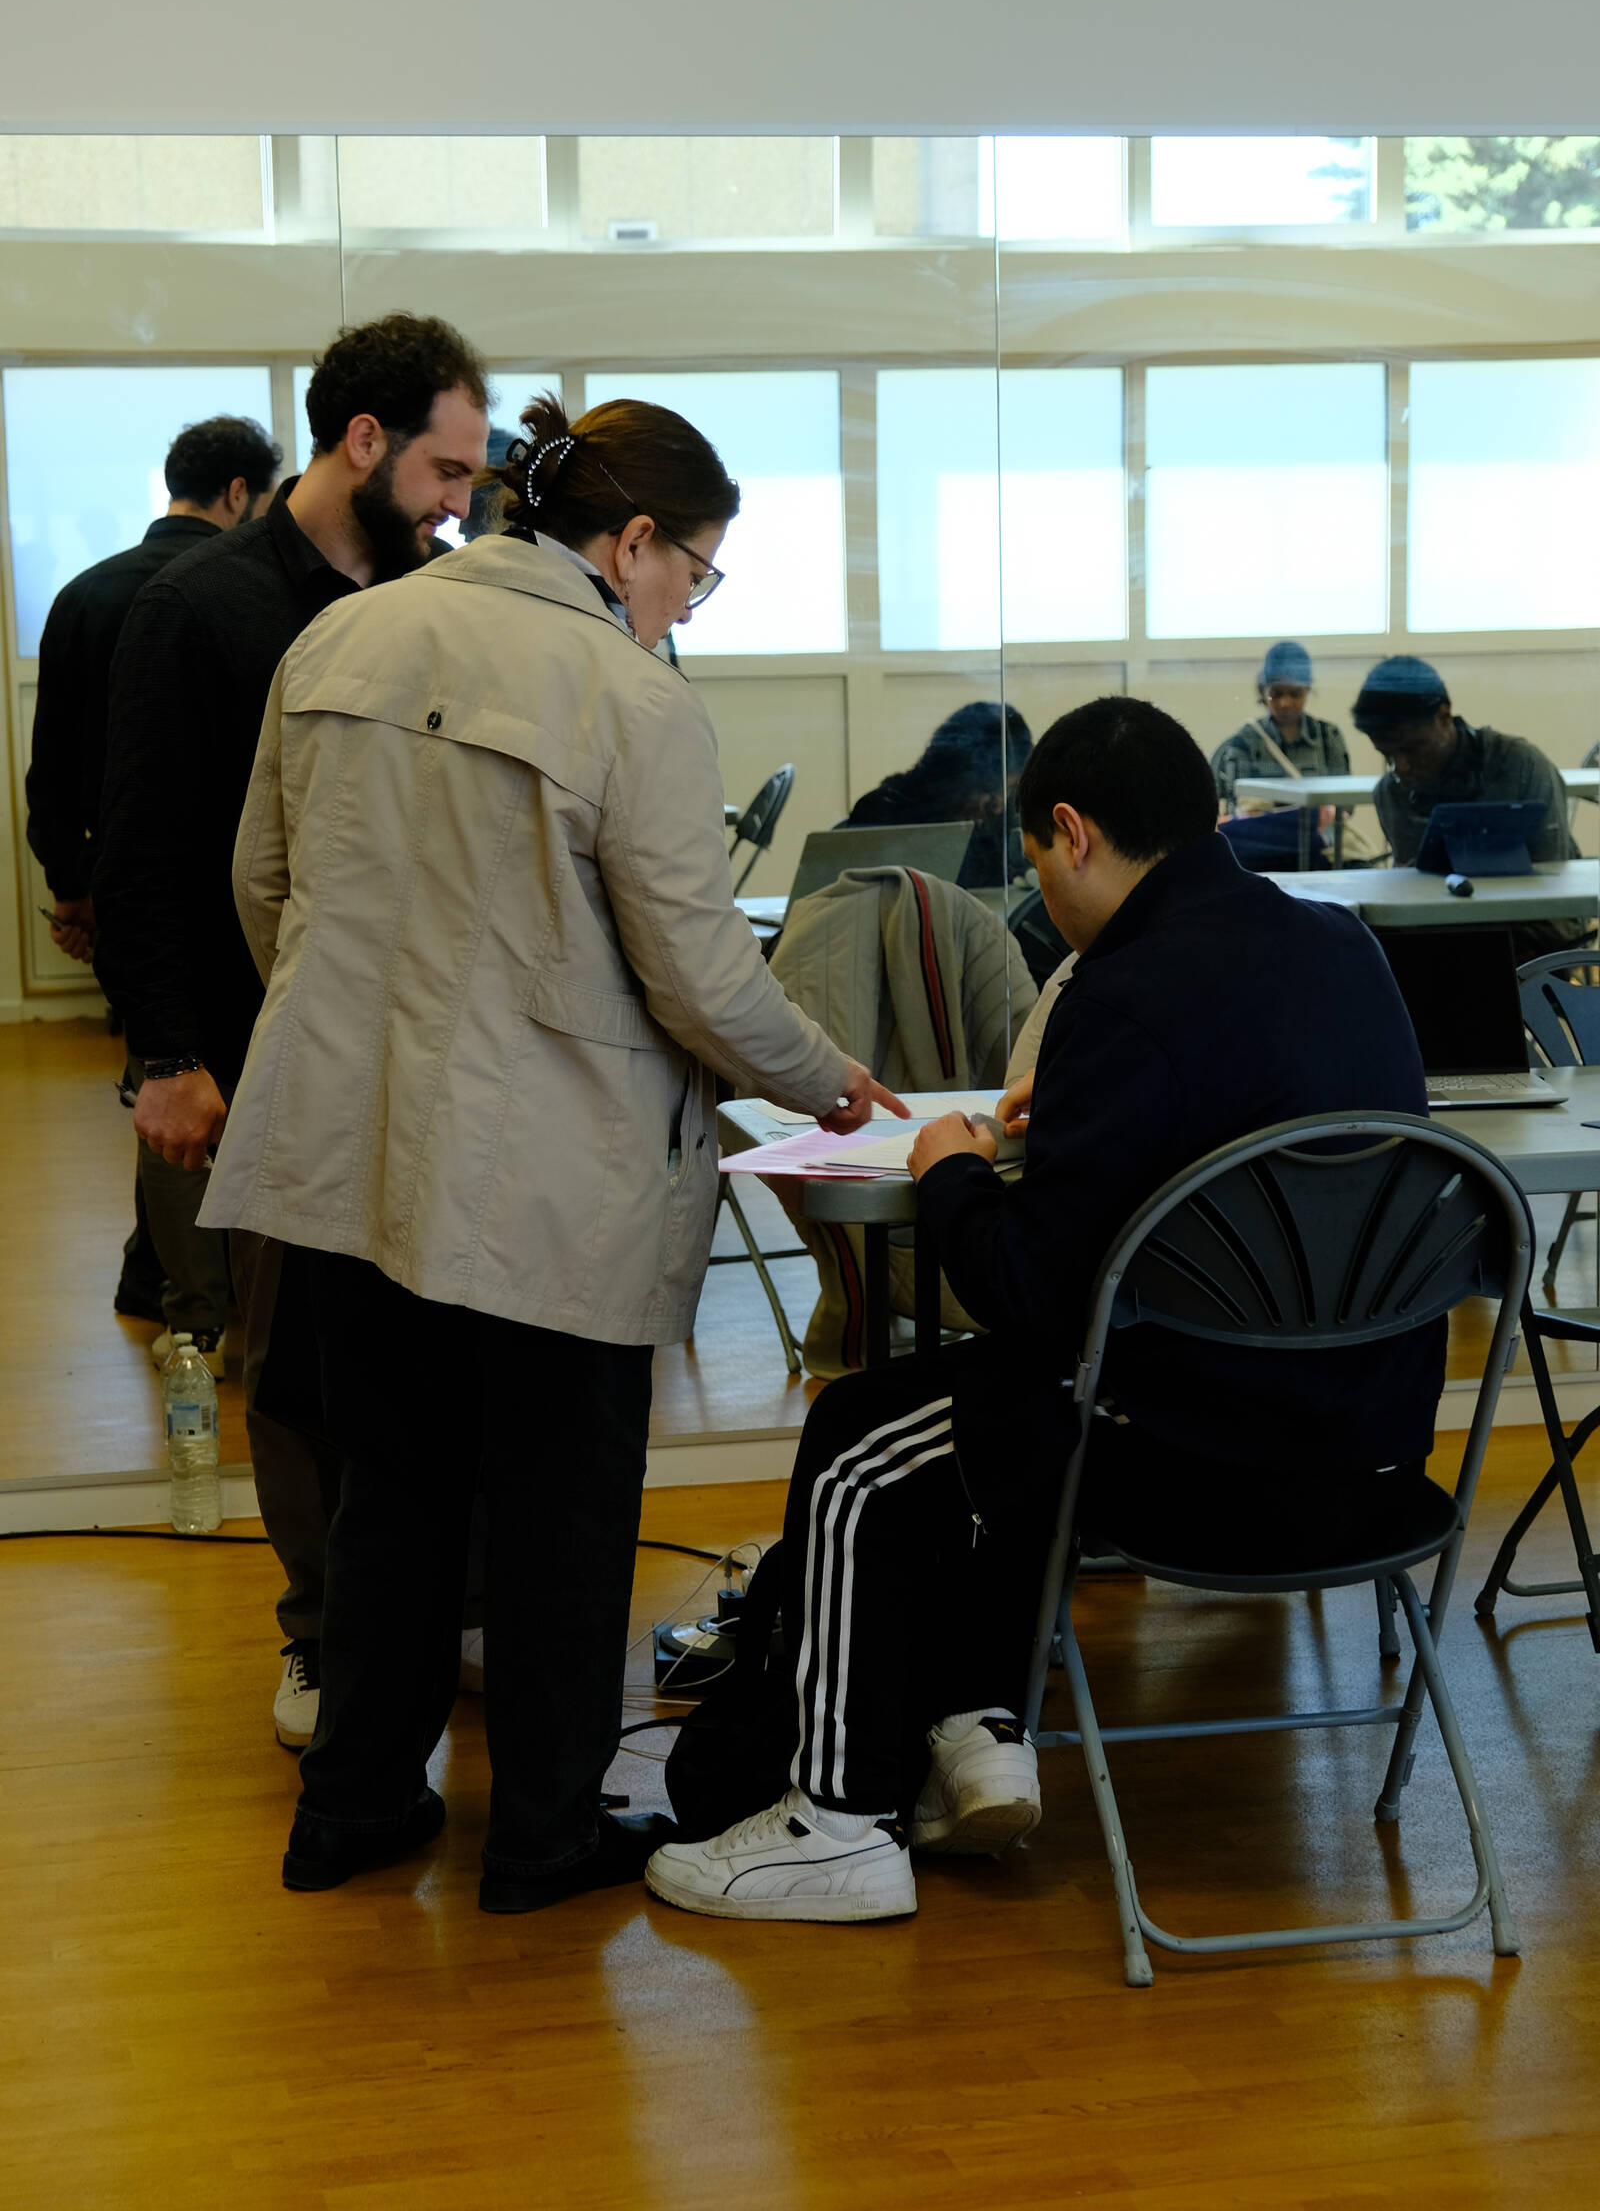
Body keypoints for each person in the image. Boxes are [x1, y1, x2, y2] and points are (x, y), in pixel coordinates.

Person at [197, 389, 906, 1910]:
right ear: (632, 540)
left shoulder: (342, 637)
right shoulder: (630, 698)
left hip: (347, 1151)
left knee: (390, 1494)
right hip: (550, 1173)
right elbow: (697, 976)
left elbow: (261, 885)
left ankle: (355, 1809)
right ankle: (542, 1839)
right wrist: (821, 1077)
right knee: (559, 1516)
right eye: (694, 575)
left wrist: (356, 1037)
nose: (685, 608)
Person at [646, 696, 1443, 1926]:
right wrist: (1070, 1123)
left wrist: (950, 1170)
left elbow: (1025, 1294)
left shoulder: (1115, 996)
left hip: (1187, 1469)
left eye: (1036, 860)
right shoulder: (1345, 949)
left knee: (865, 1438)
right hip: (1372, 1456)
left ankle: (836, 1823)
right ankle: (975, 1724)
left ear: (1071, 832)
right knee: (1002, 1406)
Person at [93, 314, 492, 1748]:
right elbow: (144, 855)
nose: (459, 501)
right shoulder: (198, 611)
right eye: (445, 469)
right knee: (304, 1362)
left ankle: (447, 1608)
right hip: (263, 1047)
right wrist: (166, 1057)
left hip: (431, 1045)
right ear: (364, 441)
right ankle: (325, 1637)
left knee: (447, 1347)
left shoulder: (444, 600)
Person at [25, 415, 284, 1327]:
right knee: (202, 1093)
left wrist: (72, 888)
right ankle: (202, 1305)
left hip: (127, 889)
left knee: (159, 1074)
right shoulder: (238, 598)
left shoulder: (84, 595)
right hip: (235, 895)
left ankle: (154, 1277)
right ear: (241, 493)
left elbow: (54, 766)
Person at [1350, 653, 1581, 956]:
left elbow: (1555, 882)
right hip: (1442, 929)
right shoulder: (1392, 794)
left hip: (1532, 925)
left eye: (1412, 749)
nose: (1401, 767)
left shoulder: (1521, 765)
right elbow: (1416, 893)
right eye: (1388, 756)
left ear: (1443, 715)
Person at [844, 701, 1034, 889]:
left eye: (1009, 789)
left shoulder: (1001, 819)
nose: (999, 805)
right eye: (988, 790)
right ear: (956, 775)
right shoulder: (883, 810)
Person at [1210, 639, 1351, 810]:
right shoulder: (1246, 739)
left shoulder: (1328, 737)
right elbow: (1235, 805)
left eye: (1295, 694)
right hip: (1260, 828)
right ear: (1263, 692)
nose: (1285, 703)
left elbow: (1345, 804)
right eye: (1276, 694)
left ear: (1307, 690)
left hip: (1317, 828)